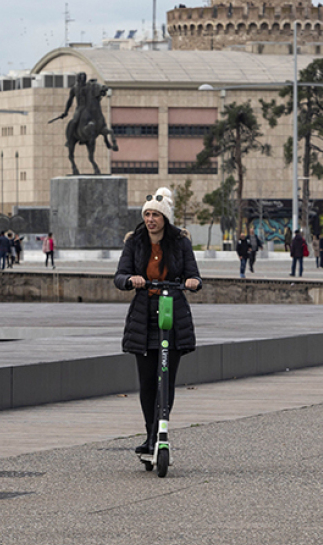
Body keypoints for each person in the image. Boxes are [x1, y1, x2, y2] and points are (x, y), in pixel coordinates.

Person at [114, 187, 202, 455]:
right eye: (147, 214)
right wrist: (131, 280)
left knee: (166, 379)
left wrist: (192, 282)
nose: (151, 219)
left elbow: (195, 277)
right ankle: (150, 434)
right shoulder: (135, 242)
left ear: (165, 218)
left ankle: (158, 432)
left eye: (156, 215)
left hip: (172, 314)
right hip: (144, 317)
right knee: (148, 382)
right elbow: (119, 276)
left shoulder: (180, 242)